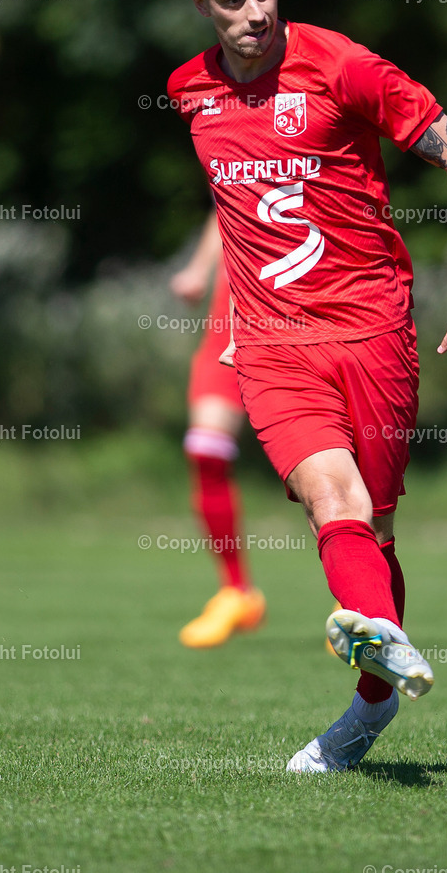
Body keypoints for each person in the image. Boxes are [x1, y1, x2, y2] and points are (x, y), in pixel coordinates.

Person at [167, 0, 447, 773]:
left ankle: (371, 701)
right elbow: (236, 208)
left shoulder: (343, 66)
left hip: (375, 331)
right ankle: (382, 657)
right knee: (333, 499)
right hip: (273, 345)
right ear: (204, 5)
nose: (255, 12)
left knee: (376, 526)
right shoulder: (188, 91)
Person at [170, 212, 265, 648]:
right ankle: (235, 592)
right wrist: (199, 268)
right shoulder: (227, 145)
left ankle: (354, 603)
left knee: (323, 467)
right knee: (206, 450)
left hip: (296, 313)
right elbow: (225, 202)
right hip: (228, 322)